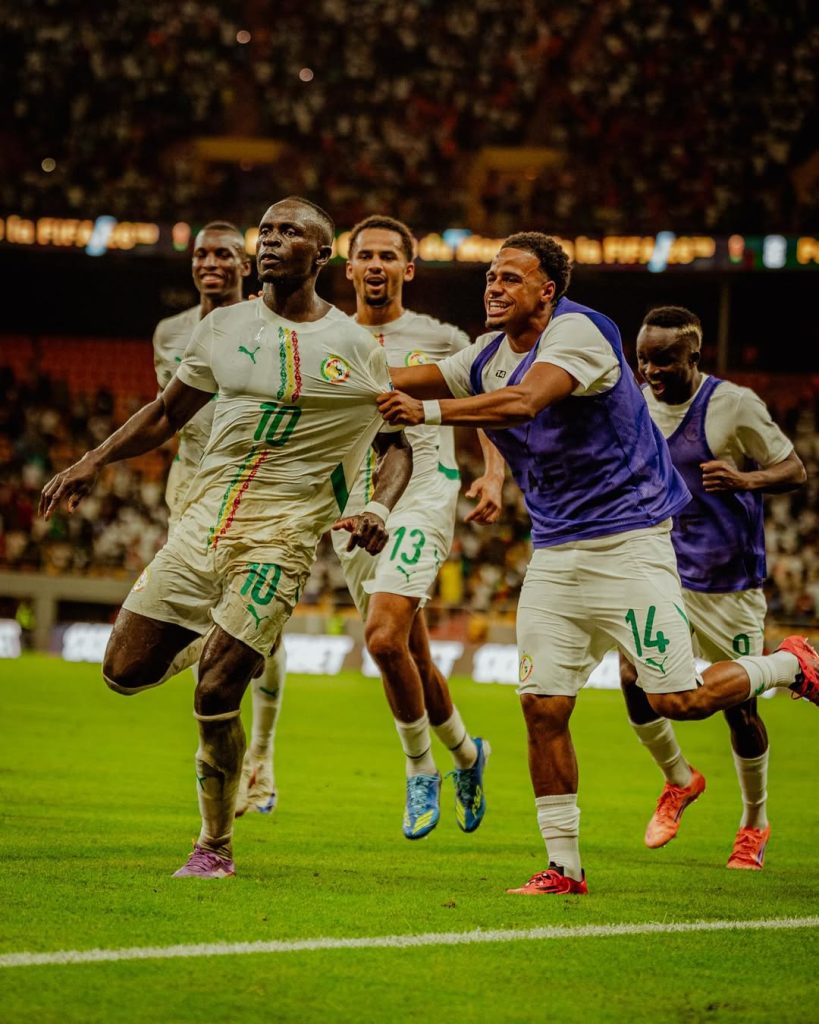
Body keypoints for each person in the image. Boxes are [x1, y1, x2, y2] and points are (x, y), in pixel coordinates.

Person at [378, 231, 819, 895]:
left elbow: (525, 401)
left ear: (547, 290)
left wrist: (427, 412)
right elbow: (401, 378)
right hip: (555, 552)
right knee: (542, 707)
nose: (493, 287)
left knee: (676, 698)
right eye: (490, 276)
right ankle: (564, 868)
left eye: (510, 278)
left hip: (628, 542)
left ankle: (791, 663)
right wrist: (320, 378)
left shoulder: (580, 332)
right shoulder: (487, 355)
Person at [40, 196, 413, 879]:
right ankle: (227, 639)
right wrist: (93, 460)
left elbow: (396, 444)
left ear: (321, 255)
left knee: (214, 693)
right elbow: (166, 414)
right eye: (264, 230)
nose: (268, 241)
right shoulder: (222, 328)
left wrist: (378, 509)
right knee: (122, 673)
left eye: (287, 232)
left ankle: (213, 845)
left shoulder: (356, 347)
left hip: (280, 539)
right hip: (199, 527)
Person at [335, 215, 504, 838]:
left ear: (408, 269)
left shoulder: (440, 337)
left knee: (383, 640)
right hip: (351, 506)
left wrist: (494, 473)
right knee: (413, 654)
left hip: (425, 492)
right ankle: (467, 753)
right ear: (349, 269)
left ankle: (418, 769)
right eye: (366, 256)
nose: (376, 265)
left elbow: (482, 403)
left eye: (388, 256)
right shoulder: (327, 336)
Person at [619, 305, 806, 869]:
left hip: (729, 582)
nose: (650, 370)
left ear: (694, 356)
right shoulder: (637, 403)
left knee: (740, 713)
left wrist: (746, 478)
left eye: (663, 360)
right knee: (632, 676)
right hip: (664, 572)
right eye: (643, 359)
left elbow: (794, 469)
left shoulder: (734, 405)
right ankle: (678, 779)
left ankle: (754, 822)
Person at [153, 220, 285, 816]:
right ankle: (218, 754)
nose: (211, 263)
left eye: (225, 254)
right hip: (191, 490)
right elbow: (172, 412)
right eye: (202, 254)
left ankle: (262, 754)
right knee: (205, 623)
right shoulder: (170, 333)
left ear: (245, 264)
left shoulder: (269, 324)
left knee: (262, 633)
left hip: (256, 487)